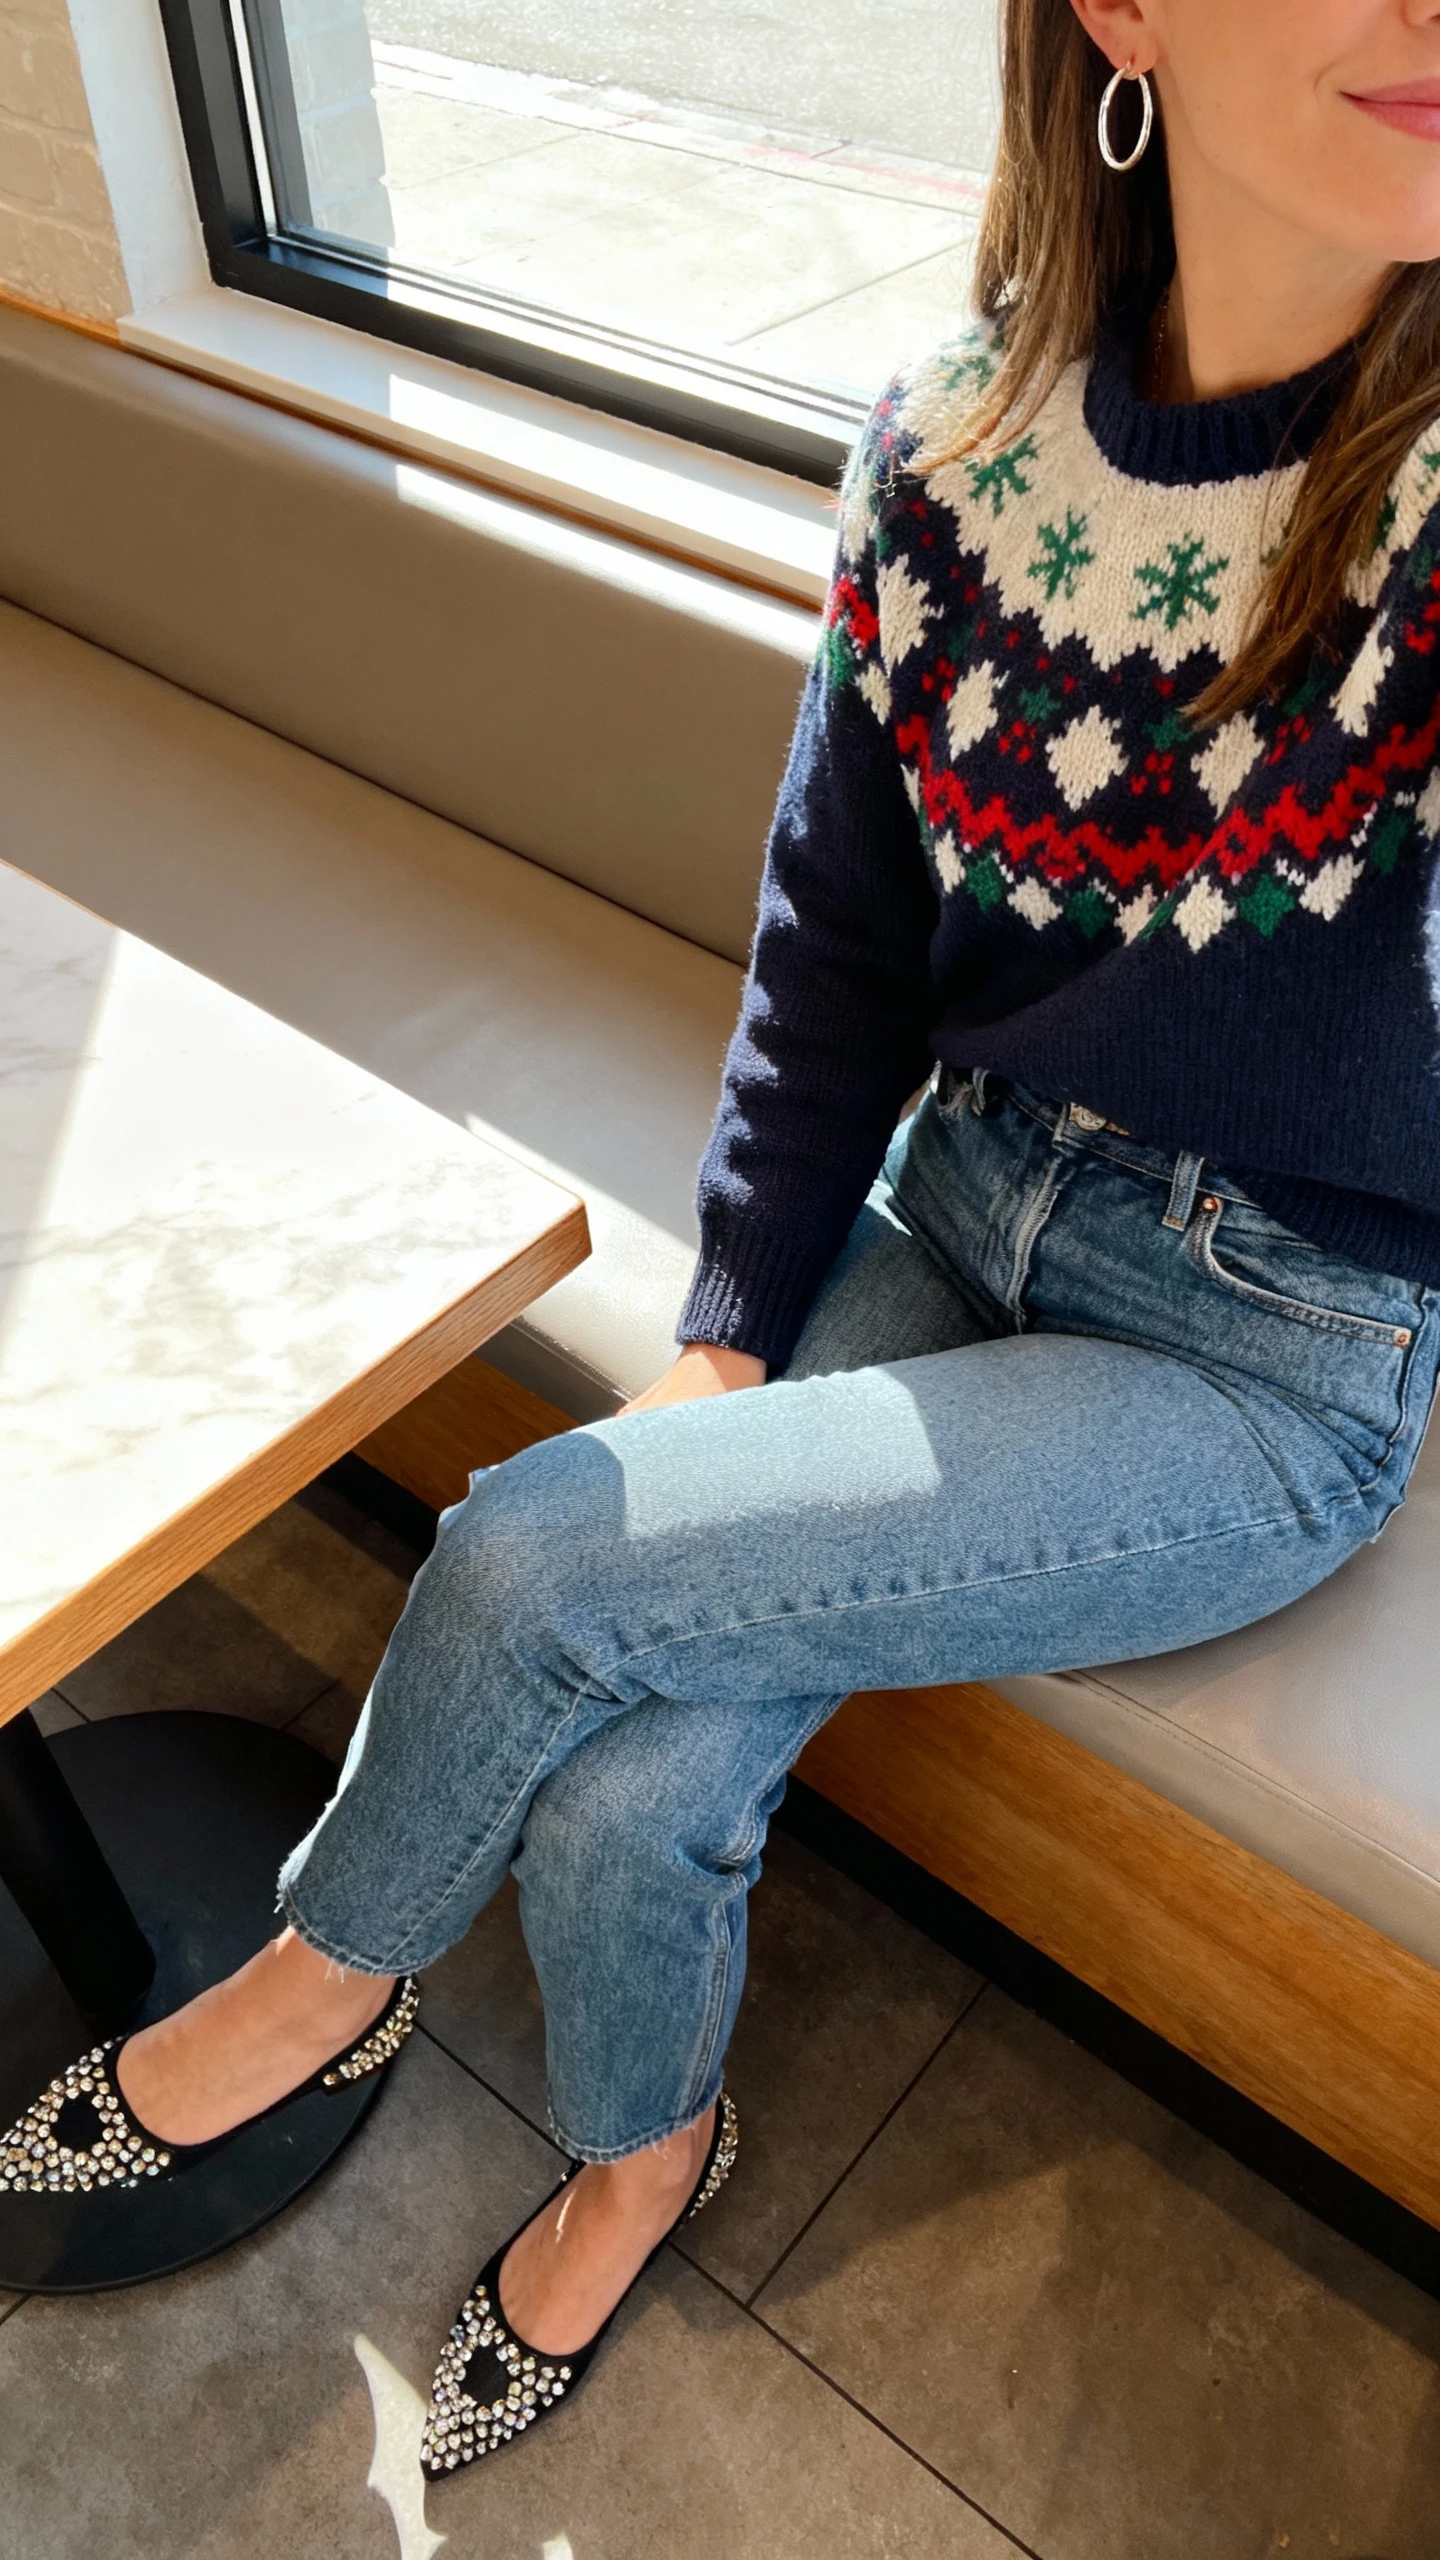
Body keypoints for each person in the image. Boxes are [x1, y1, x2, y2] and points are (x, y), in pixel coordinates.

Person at [10, 0, 1440, 2486]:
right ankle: (648, 2151)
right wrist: (729, 1329)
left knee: (532, 1551)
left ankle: (317, 1976)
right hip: (961, 1195)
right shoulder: (957, 457)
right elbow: (838, 949)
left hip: (1259, 1353)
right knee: (618, 1791)